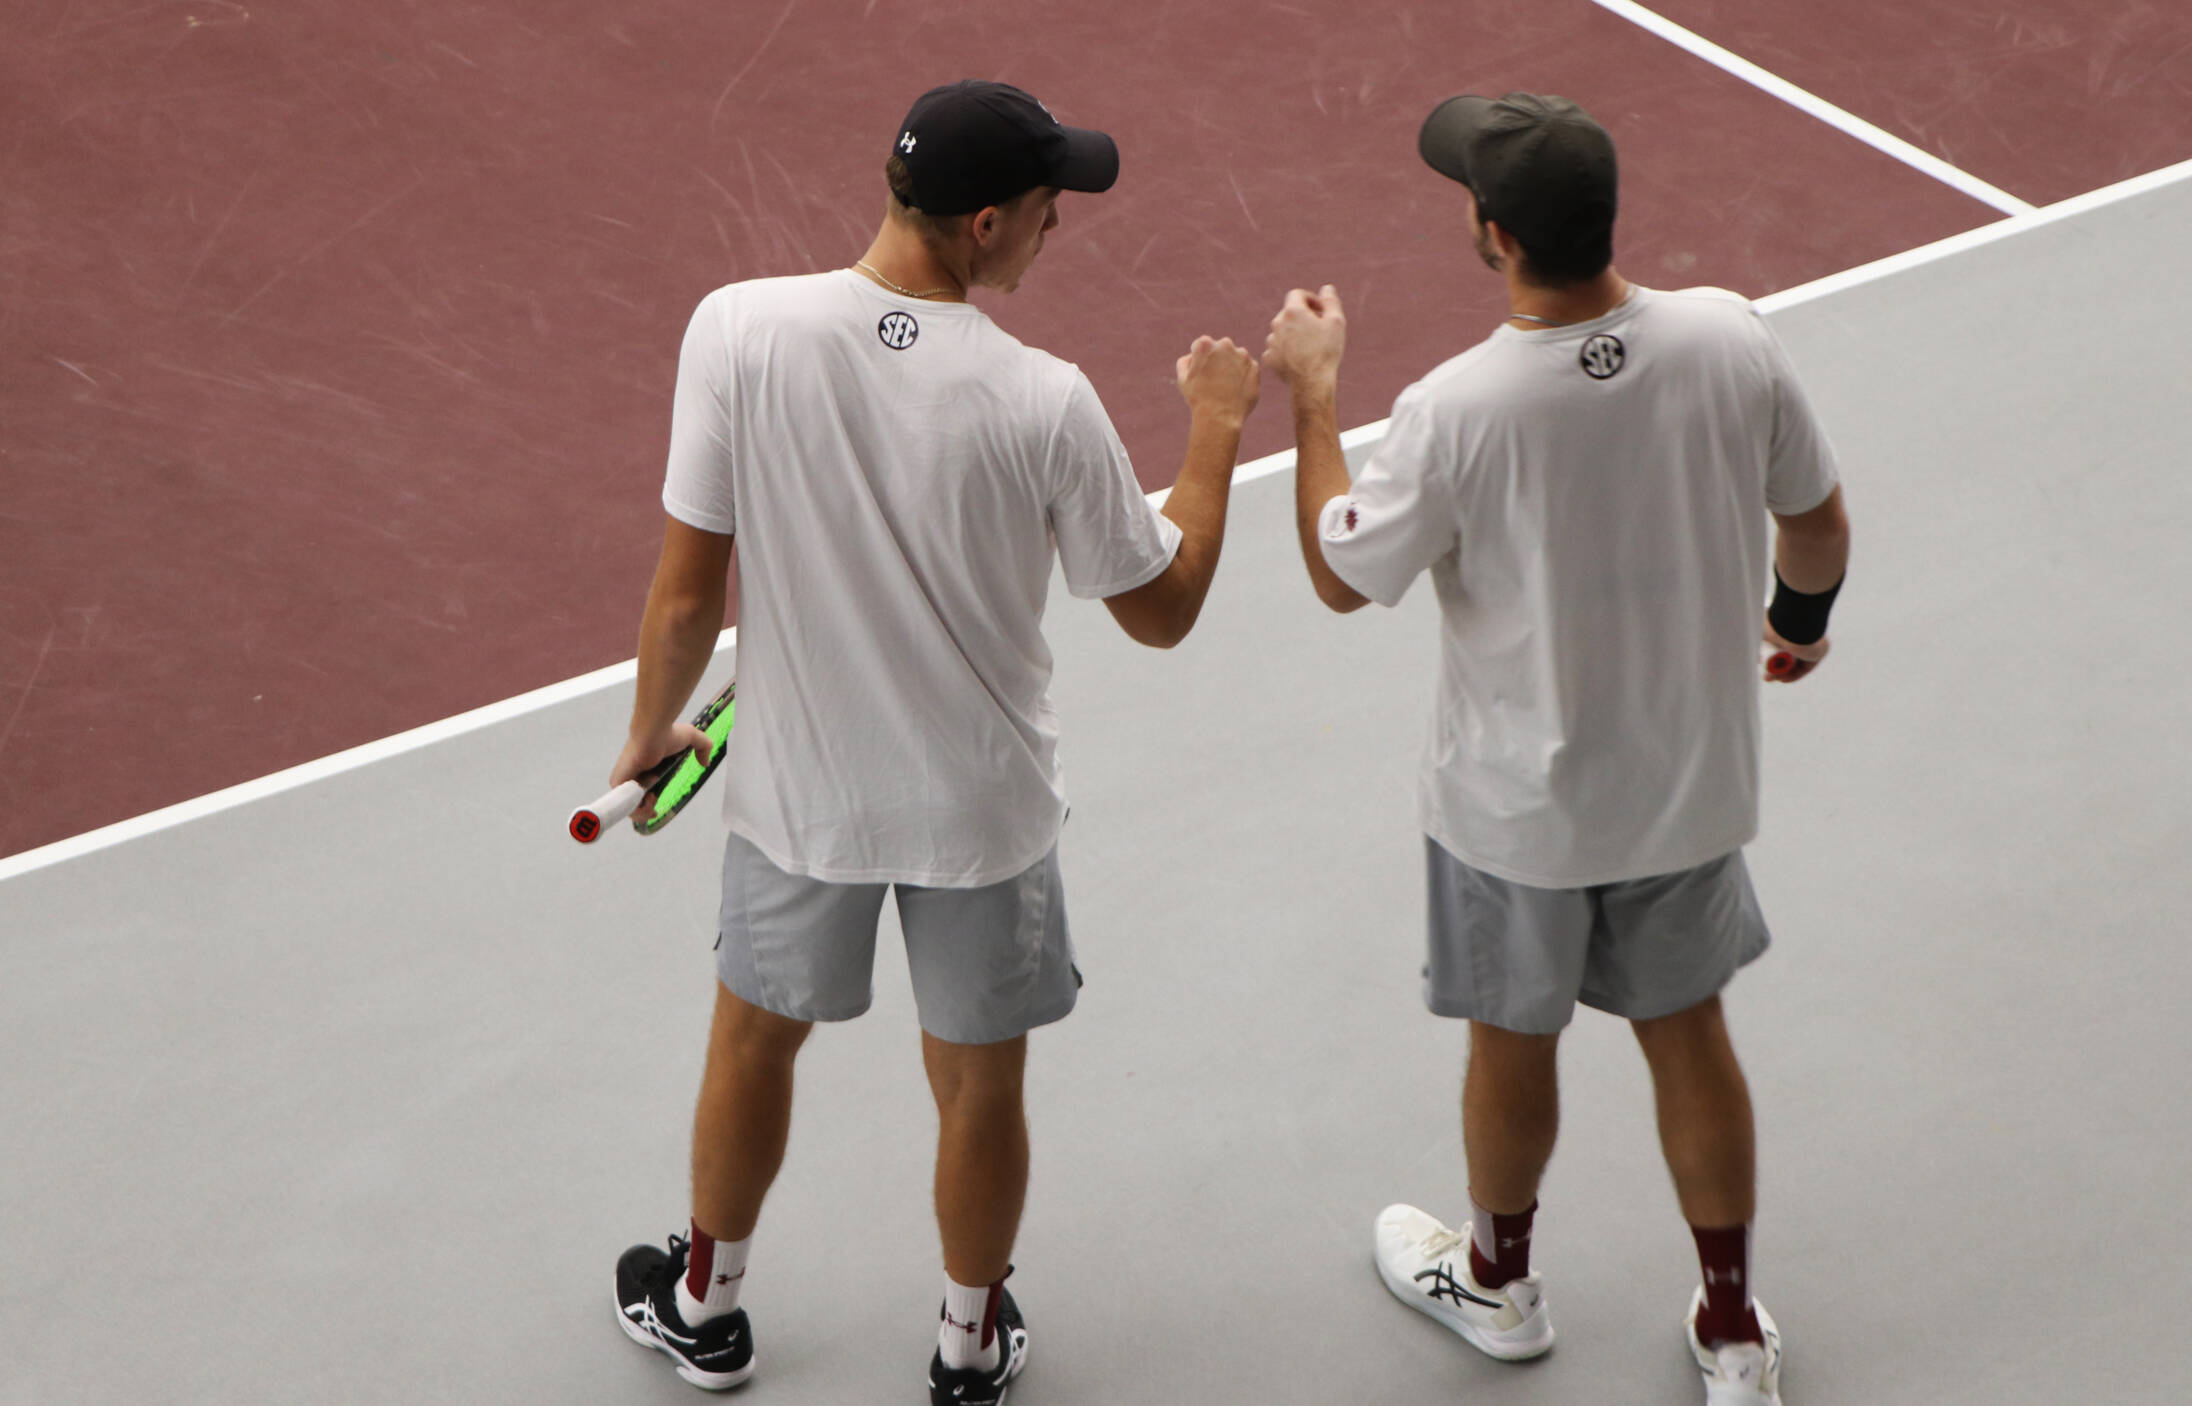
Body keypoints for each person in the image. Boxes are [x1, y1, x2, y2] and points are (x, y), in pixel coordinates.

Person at [603, 79, 1261, 1406]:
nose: (1055, 227)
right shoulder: (1045, 399)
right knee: (978, 1088)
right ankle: (966, 1344)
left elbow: (684, 598)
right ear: (983, 224)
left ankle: (704, 1307)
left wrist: (646, 734)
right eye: (1047, 207)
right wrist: (1217, 425)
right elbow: (1165, 607)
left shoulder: (738, 331)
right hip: (983, 814)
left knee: (752, 1046)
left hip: (800, 801)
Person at [1261, 92, 1850, 1406]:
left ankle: (1500, 1286)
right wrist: (1797, 626)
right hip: (1686, 792)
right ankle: (1732, 1331)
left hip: (1512, 817)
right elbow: (1816, 525)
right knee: (1690, 1037)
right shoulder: (1731, 337)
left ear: (1498, 236)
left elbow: (1341, 575)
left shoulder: (1454, 410)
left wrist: (1311, 394)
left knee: (1511, 1045)